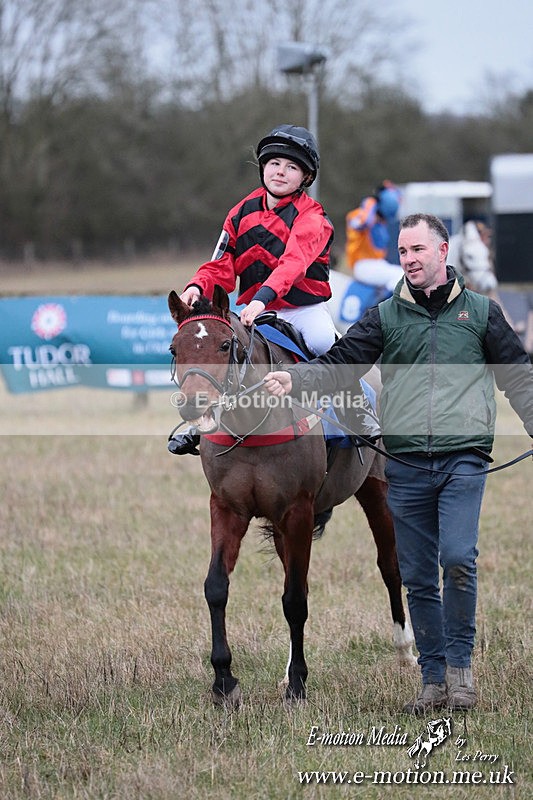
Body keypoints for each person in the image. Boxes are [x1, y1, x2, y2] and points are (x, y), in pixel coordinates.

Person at [264, 213, 533, 714]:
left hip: (463, 456)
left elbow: (518, 376)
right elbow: (341, 364)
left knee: (457, 557)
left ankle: (461, 672)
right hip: (404, 463)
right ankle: (432, 681)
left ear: (443, 251)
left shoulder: (481, 313)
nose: (409, 259)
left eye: (418, 250)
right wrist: (296, 381)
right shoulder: (385, 316)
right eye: (403, 251)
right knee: (417, 574)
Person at [170, 124, 338, 455]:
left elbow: (292, 264)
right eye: (274, 163)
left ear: (305, 177)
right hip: (253, 313)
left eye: (291, 167)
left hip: (302, 310)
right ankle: (201, 422)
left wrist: (262, 299)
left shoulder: (313, 217)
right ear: (263, 167)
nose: (281, 171)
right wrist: (196, 286)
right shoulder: (239, 213)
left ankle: (357, 416)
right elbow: (220, 265)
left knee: (324, 342)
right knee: (217, 350)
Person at [345, 180, 404, 292]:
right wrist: (371, 203)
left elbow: (399, 197)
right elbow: (361, 223)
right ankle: (392, 302)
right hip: (362, 265)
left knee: (405, 273)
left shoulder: (379, 224)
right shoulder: (359, 214)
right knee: (401, 275)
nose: (383, 221)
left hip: (377, 264)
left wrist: (391, 189)